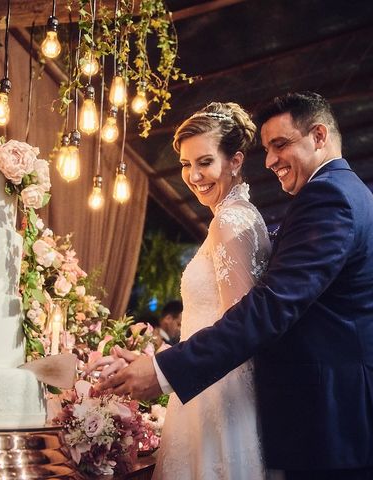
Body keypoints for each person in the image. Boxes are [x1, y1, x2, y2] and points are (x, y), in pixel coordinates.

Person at [95, 92, 373, 480]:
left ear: (319, 136)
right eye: (266, 149)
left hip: (346, 424)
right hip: (339, 424)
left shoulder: (329, 196)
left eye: (280, 145)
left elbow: (270, 307)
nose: (269, 161)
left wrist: (163, 370)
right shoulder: (334, 193)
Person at [95, 102, 274, 479]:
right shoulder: (231, 217)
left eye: (205, 162)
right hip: (203, 386)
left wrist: (164, 369)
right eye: (185, 164)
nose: (193, 176)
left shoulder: (232, 220)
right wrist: (159, 357)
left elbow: (241, 331)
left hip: (218, 400)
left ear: (236, 160)